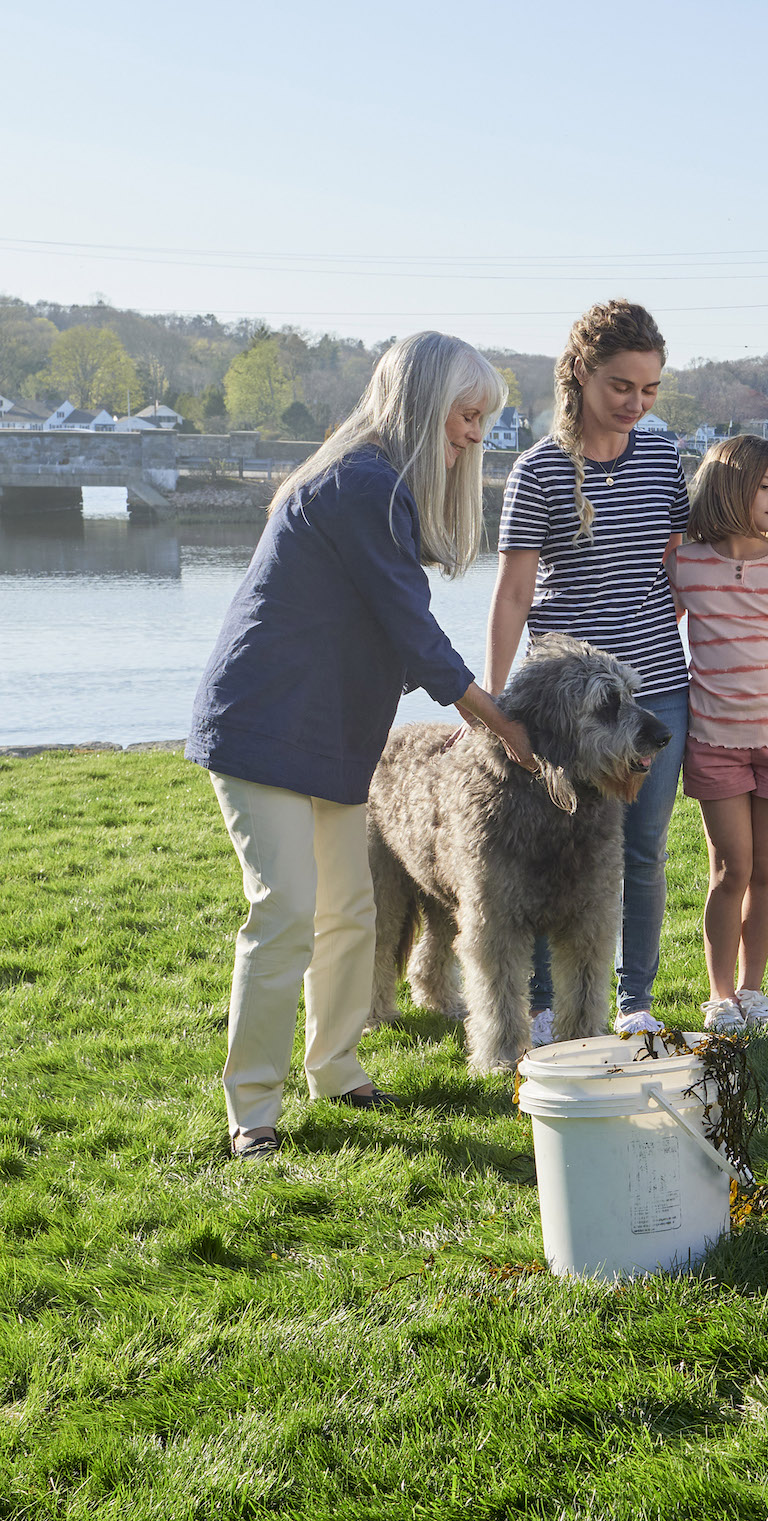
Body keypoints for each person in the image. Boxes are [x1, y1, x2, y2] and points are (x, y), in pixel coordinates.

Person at [187, 332, 539, 1160]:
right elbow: (415, 635)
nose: (474, 434)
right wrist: (501, 723)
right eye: (465, 414)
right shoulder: (360, 485)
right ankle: (253, 1110)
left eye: (482, 418)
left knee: (350, 909)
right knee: (284, 912)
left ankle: (337, 1067)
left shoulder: (381, 486)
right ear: (422, 406)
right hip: (262, 724)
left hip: (333, 734)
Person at [488, 300, 692, 1038]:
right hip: (566, 709)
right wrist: (494, 704)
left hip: (658, 690)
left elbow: (676, 566)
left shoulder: (665, 460)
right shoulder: (538, 471)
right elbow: (513, 592)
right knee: (549, 851)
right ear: (580, 374)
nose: (636, 404)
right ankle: (541, 1006)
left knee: (642, 849)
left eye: (650, 391)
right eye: (621, 387)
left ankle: (633, 1000)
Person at [667, 435, 768, 1033]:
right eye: (765, 486)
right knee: (729, 869)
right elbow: (659, 635)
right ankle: (719, 995)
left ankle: (753, 989)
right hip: (713, 742)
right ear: (728, 488)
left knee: (766, 868)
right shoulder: (686, 564)